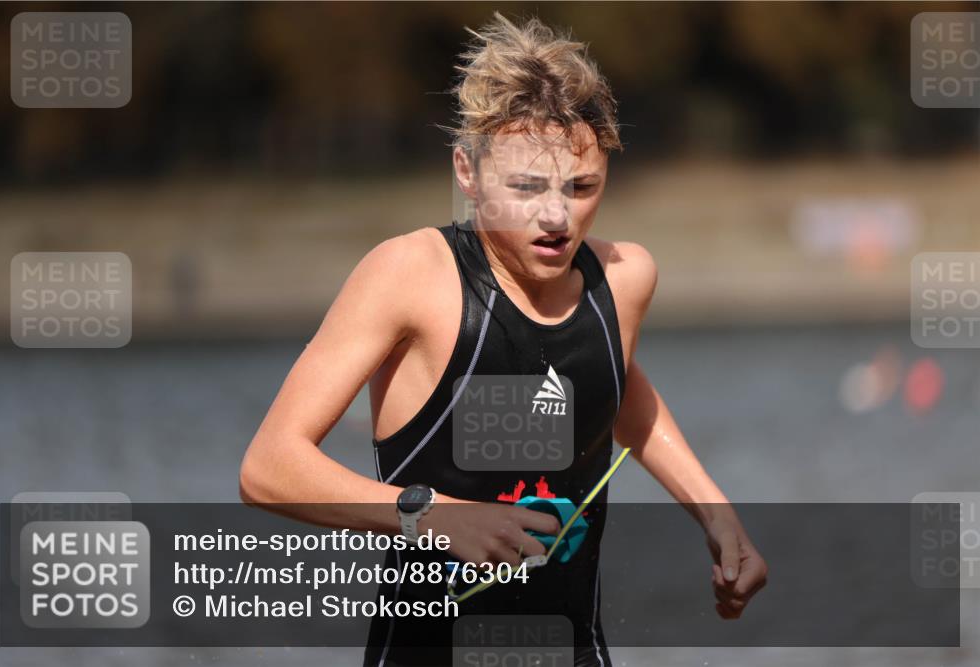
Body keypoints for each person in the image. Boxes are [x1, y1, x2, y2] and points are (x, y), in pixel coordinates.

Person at [239, 11, 767, 666]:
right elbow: (267, 467)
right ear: (467, 170)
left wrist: (716, 515)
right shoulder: (409, 276)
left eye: (582, 187)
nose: (556, 215)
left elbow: (615, 390)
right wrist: (430, 514)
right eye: (526, 187)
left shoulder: (625, 280)